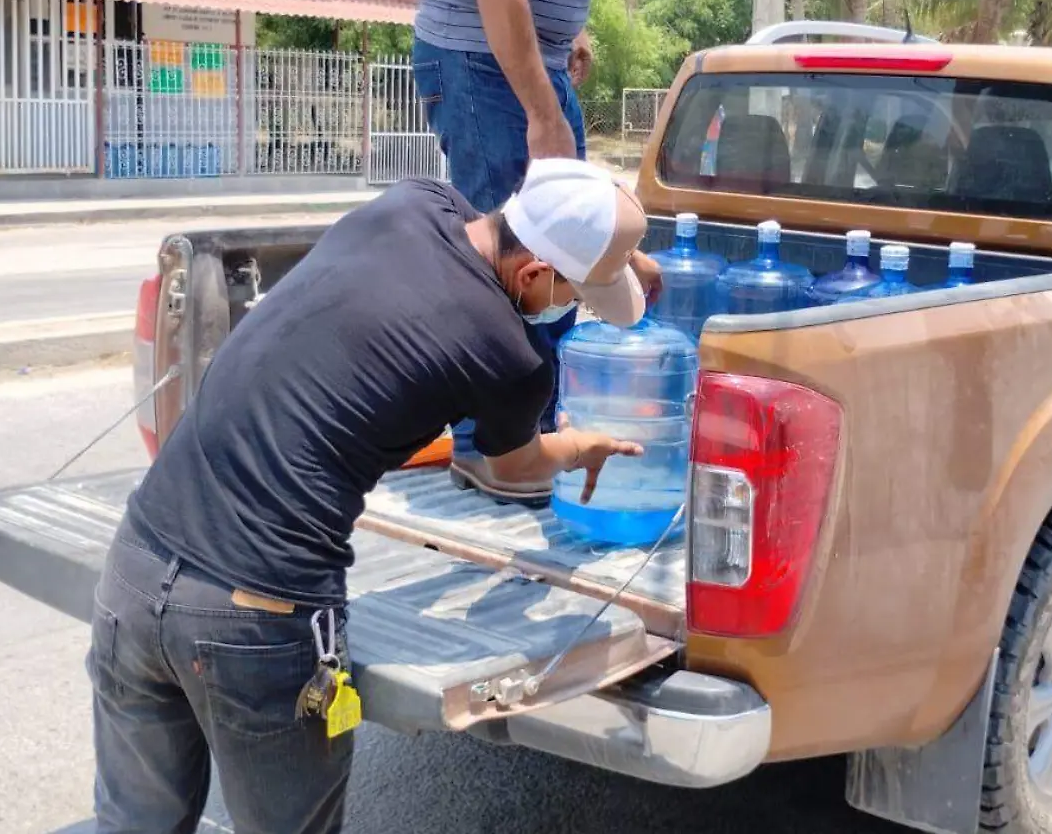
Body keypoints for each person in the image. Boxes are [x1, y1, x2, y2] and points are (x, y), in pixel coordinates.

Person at [87, 160, 651, 834]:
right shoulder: (511, 358)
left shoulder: (415, 202)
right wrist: (583, 445)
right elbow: (517, 468)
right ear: (533, 276)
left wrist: (615, 252)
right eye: (578, 293)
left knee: (131, 825)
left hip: (137, 561)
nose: (573, 307)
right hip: (258, 612)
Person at [412, 0, 677, 494]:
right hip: (477, 61)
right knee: (522, 261)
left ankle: (532, 433)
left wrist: (564, 36)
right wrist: (540, 106)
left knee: (570, 249)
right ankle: (490, 448)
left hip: (529, 59)